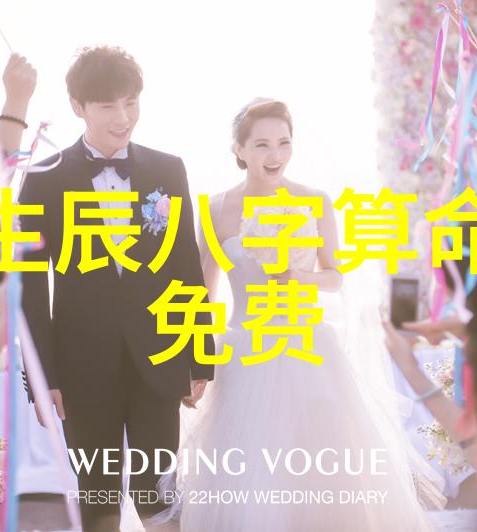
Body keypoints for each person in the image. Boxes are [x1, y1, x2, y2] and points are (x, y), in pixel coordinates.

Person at [163, 98, 442, 532]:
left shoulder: (314, 201)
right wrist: (195, 355)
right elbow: (203, 290)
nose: (275, 154)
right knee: (251, 465)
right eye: (261, 144)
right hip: (245, 350)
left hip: (308, 347)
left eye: (284, 142)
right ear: (239, 149)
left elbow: (335, 276)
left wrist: (298, 276)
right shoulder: (216, 207)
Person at [19, 45, 214, 531]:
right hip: (80, 366)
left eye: (131, 102)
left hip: (161, 354)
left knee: (158, 493)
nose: (123, 117)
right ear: (77, 106)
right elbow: (29, 285)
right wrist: (42, 376)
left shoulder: (168, 170)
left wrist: (199, 355)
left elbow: (185, 266)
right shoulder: (42, 179)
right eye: (108, 106)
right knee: (98, 496)